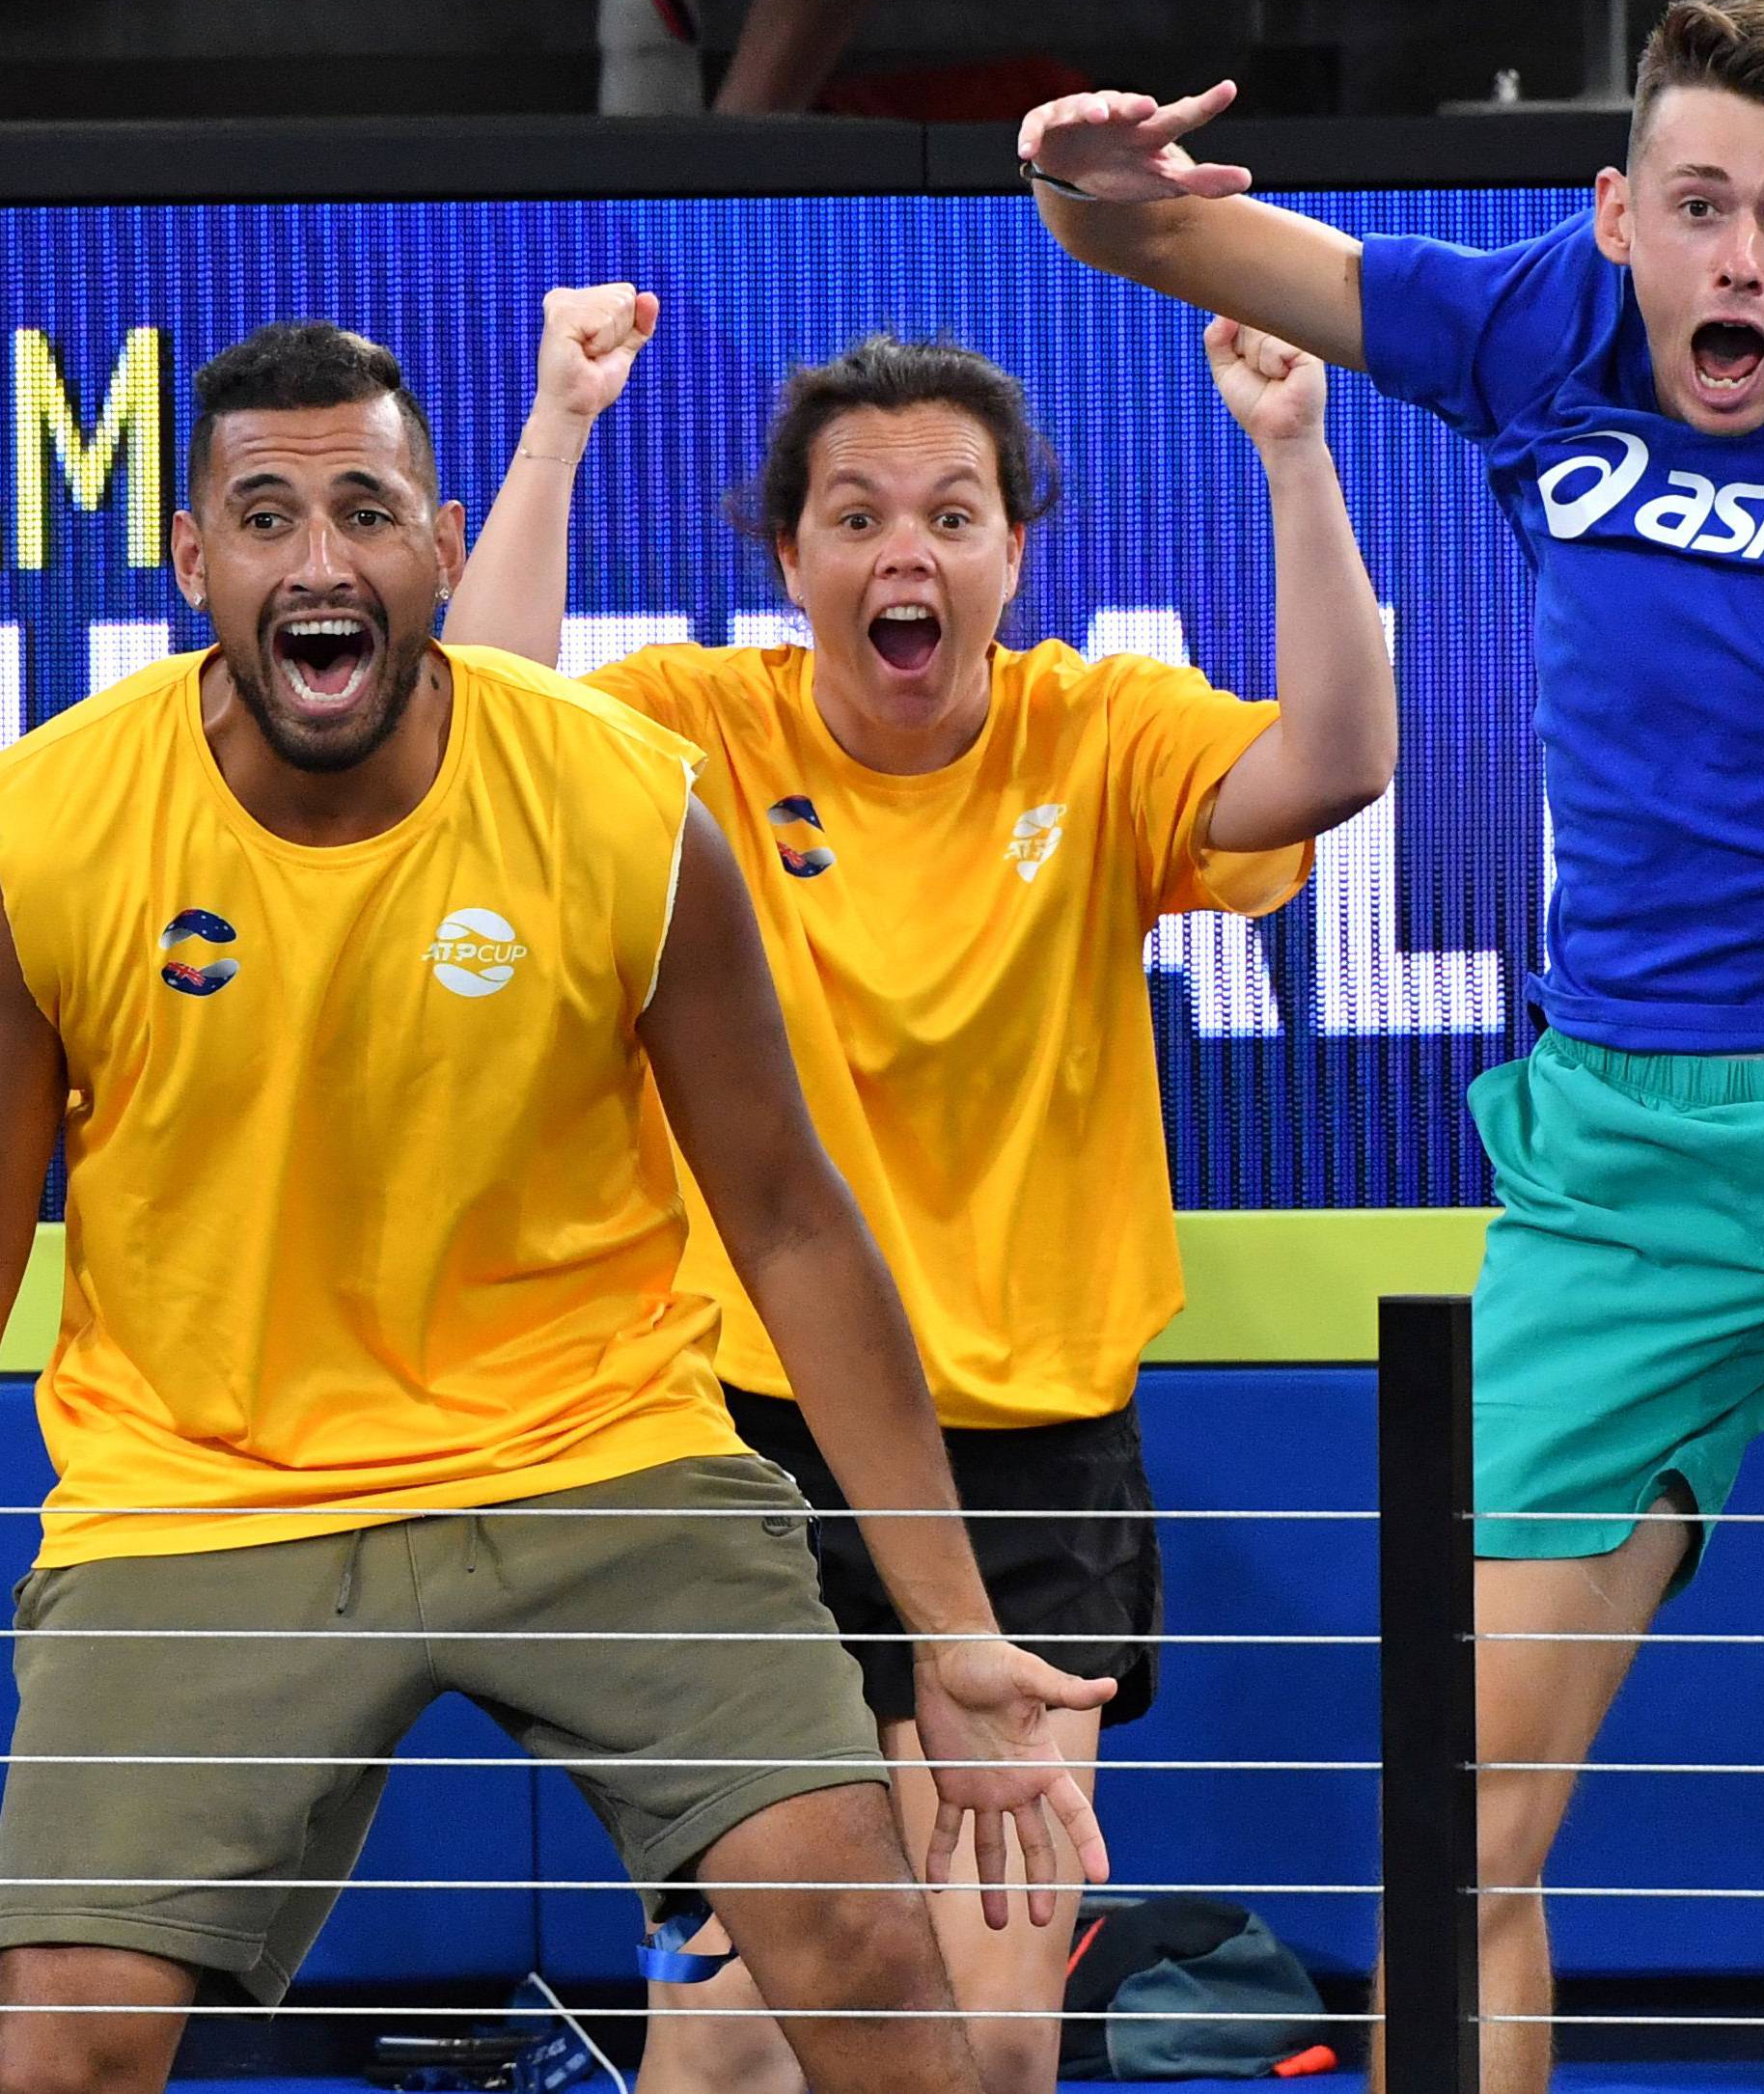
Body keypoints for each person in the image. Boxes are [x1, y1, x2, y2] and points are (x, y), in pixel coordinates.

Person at [0, 320, 1118, 2094]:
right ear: (192, 561)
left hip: (598, 1453)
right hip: (199, 1489)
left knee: (879, 1974)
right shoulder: (45, 827)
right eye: (266, 515)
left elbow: (790, 1217)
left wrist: (956, 1634)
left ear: (445, 547)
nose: (320, 560)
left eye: (366, 509)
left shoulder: (618, 806)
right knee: (58, 2042)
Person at [1018, 0, 1764, 2094]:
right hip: (1621, 1169)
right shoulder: (1532, 334)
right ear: (1614, 220)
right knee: (1448, 1815)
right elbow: (1147, 231)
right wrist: (1079, 174)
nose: (1741, 258)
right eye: (1699, 208)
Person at [445, 288, 1396, 2092]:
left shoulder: (1102, 737)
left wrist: (1295, 449)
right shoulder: (695, 731)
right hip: (750, 1444)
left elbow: (1337, 761)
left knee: (987, 2044)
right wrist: (561, 423)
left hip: (1034, 1458)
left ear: (1013, 552)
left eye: (954, 514)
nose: (909, 551)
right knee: (731, 2052)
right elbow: (488, 721)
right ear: (792, 557)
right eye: (860, 515)